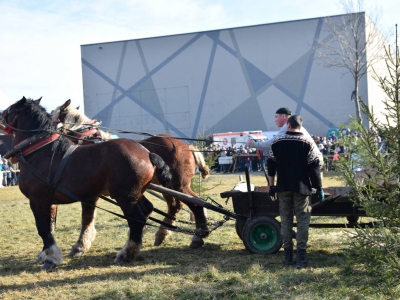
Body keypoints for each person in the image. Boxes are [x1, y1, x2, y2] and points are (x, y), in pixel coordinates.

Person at [265, 115, 324, 268]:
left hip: (283, 187)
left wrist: (271, 186)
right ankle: (301, 258)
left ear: (289, 125)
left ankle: (287, 258)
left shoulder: (277, 142)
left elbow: (270, 165)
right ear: (299, 126)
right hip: (302, 188)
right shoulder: (307, 142)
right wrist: (319, 188)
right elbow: (314, 167)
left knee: (285, 221)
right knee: (303, 221)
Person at [246, 107, 323, 167]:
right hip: (313, 160)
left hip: (312, 162)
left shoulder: (287, 127)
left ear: (283, 116)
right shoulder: (295, 127)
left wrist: (254, 144)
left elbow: (272, 143)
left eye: (276, 117)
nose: (275, 120)